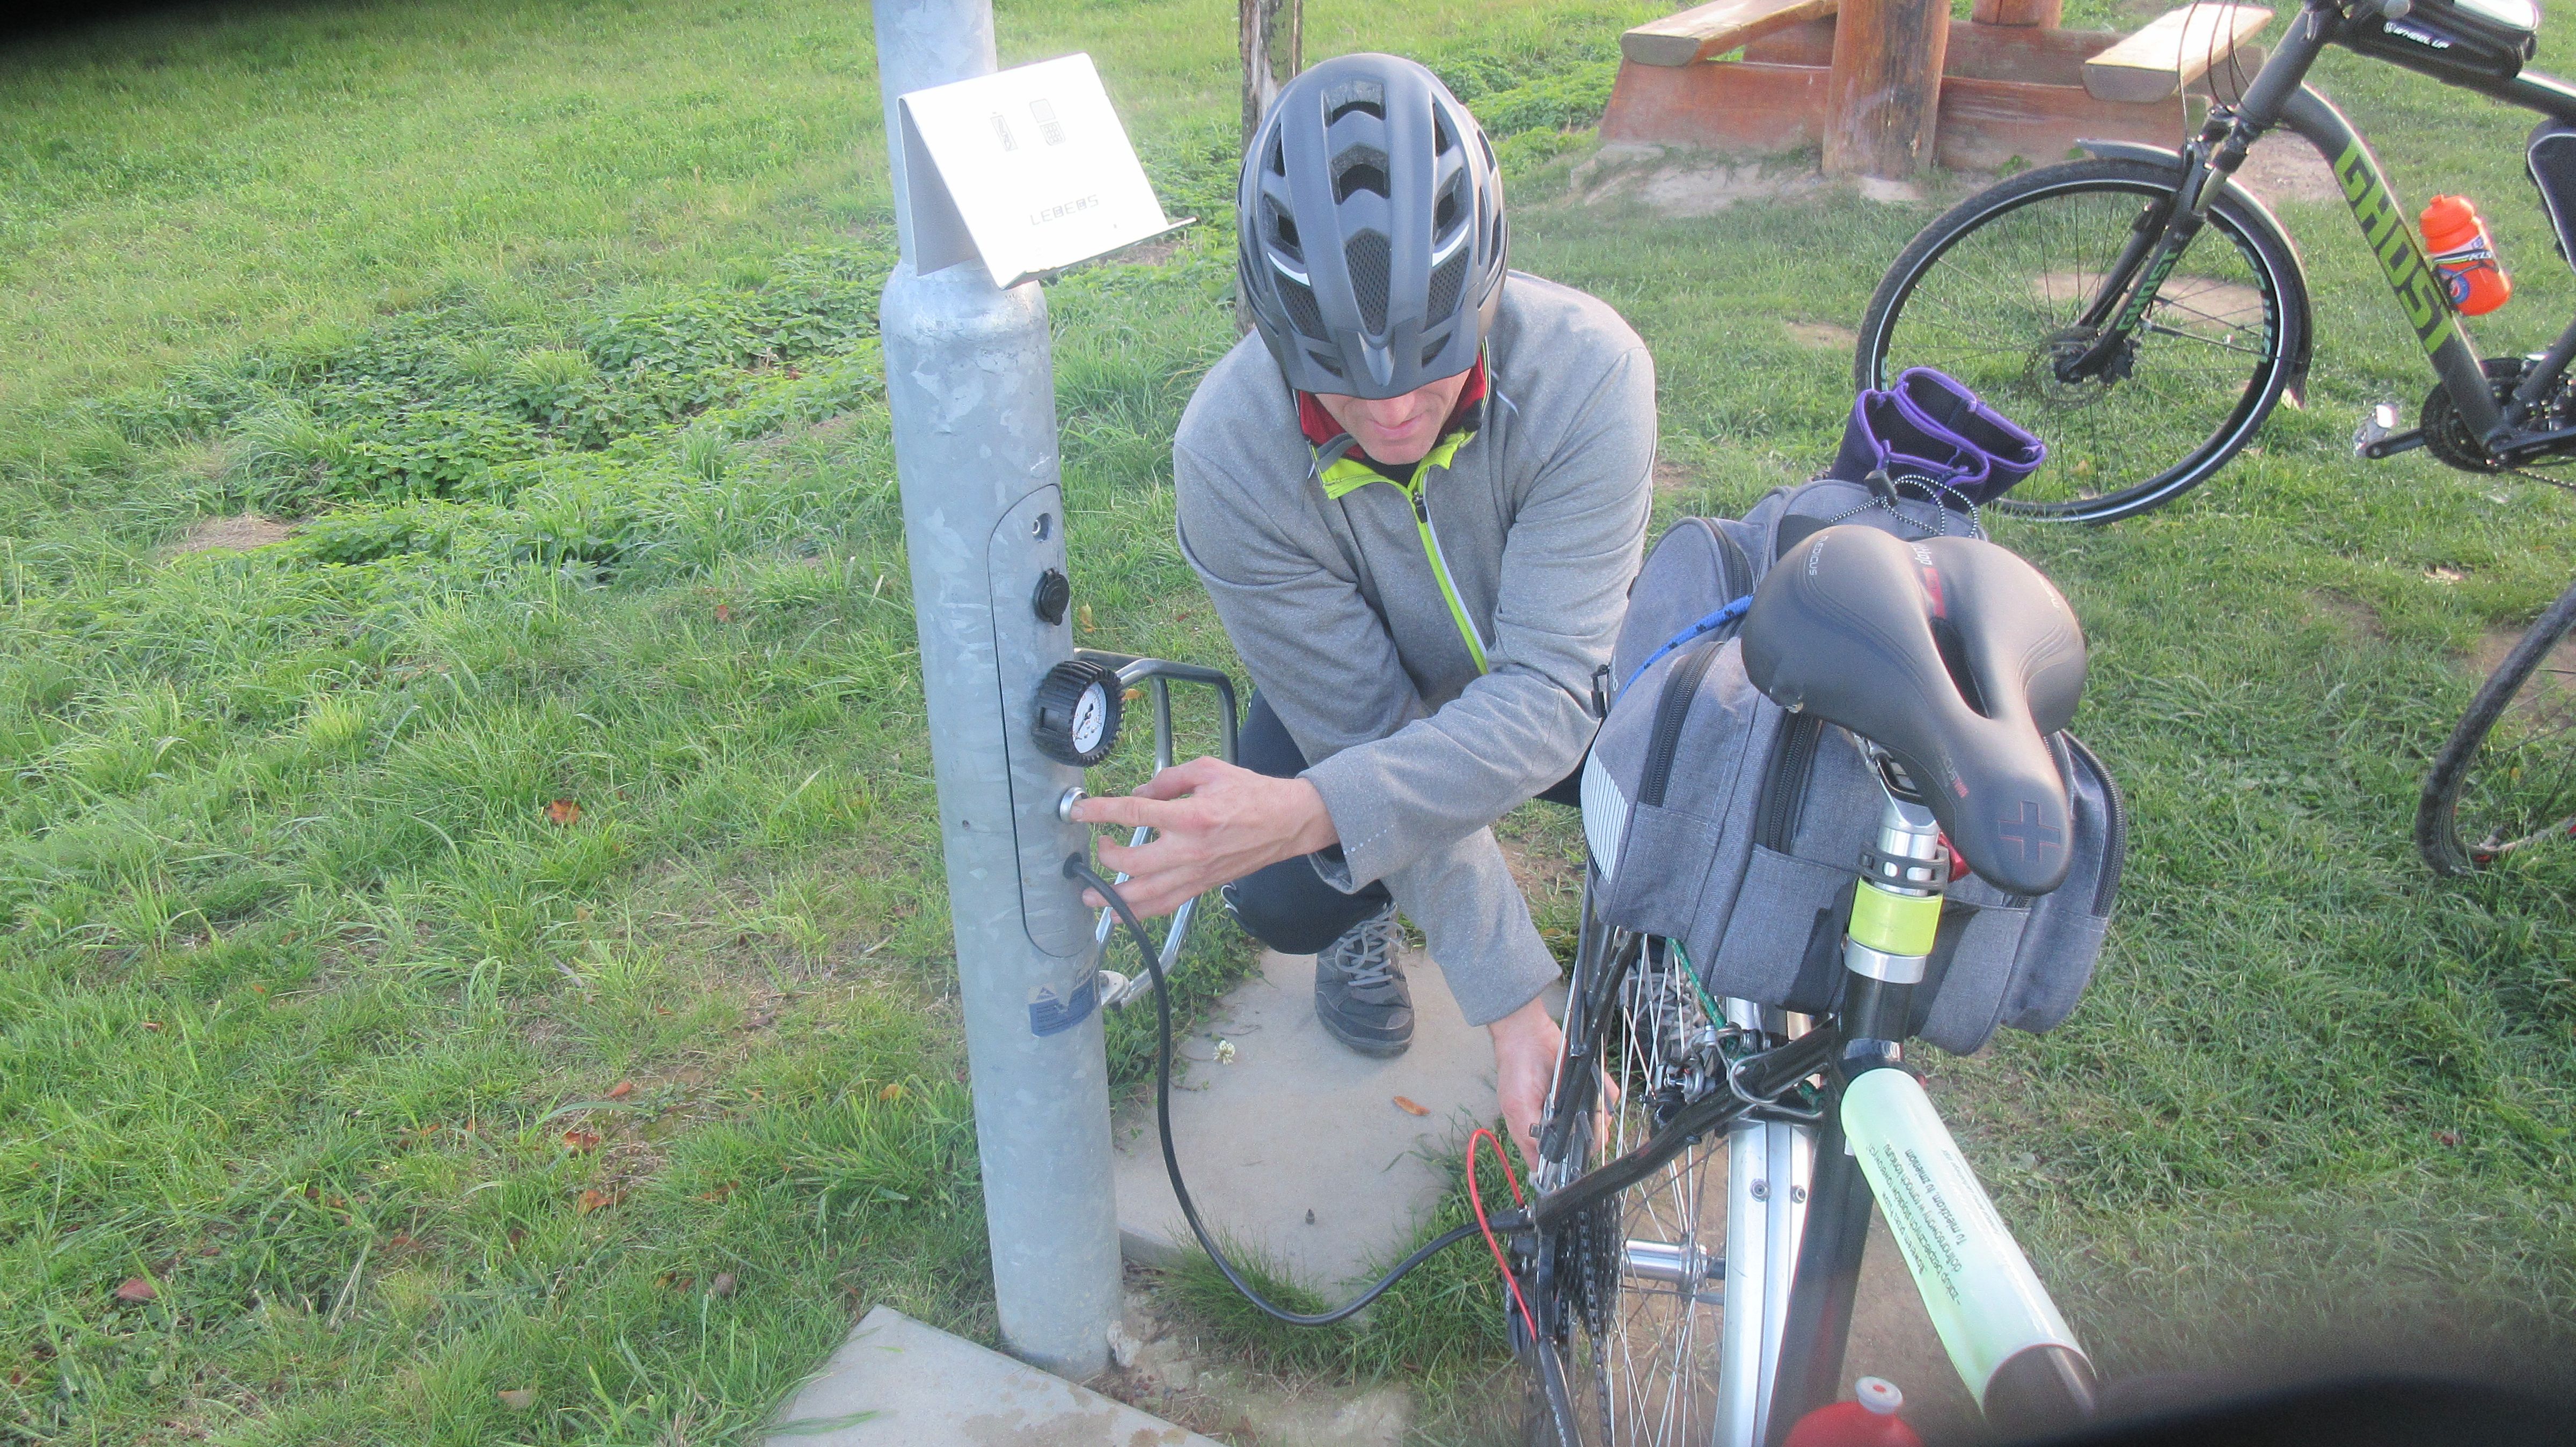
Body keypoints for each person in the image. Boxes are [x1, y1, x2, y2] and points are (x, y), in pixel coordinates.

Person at [1069, 52, 1653, 1170]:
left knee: (1678, 768)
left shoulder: (1592, 375)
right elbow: (1369, 729)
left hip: (1566, 668)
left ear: (1488, 290)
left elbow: (1545, 696)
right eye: (1341, 377)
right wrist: (1513, 1005)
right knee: (1284, 896)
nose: (1392, 414)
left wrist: (1308, 810)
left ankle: (1655, 945)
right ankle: (1372, 910)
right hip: (1374, 691)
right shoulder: (1226, 455)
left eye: (1432, 363)